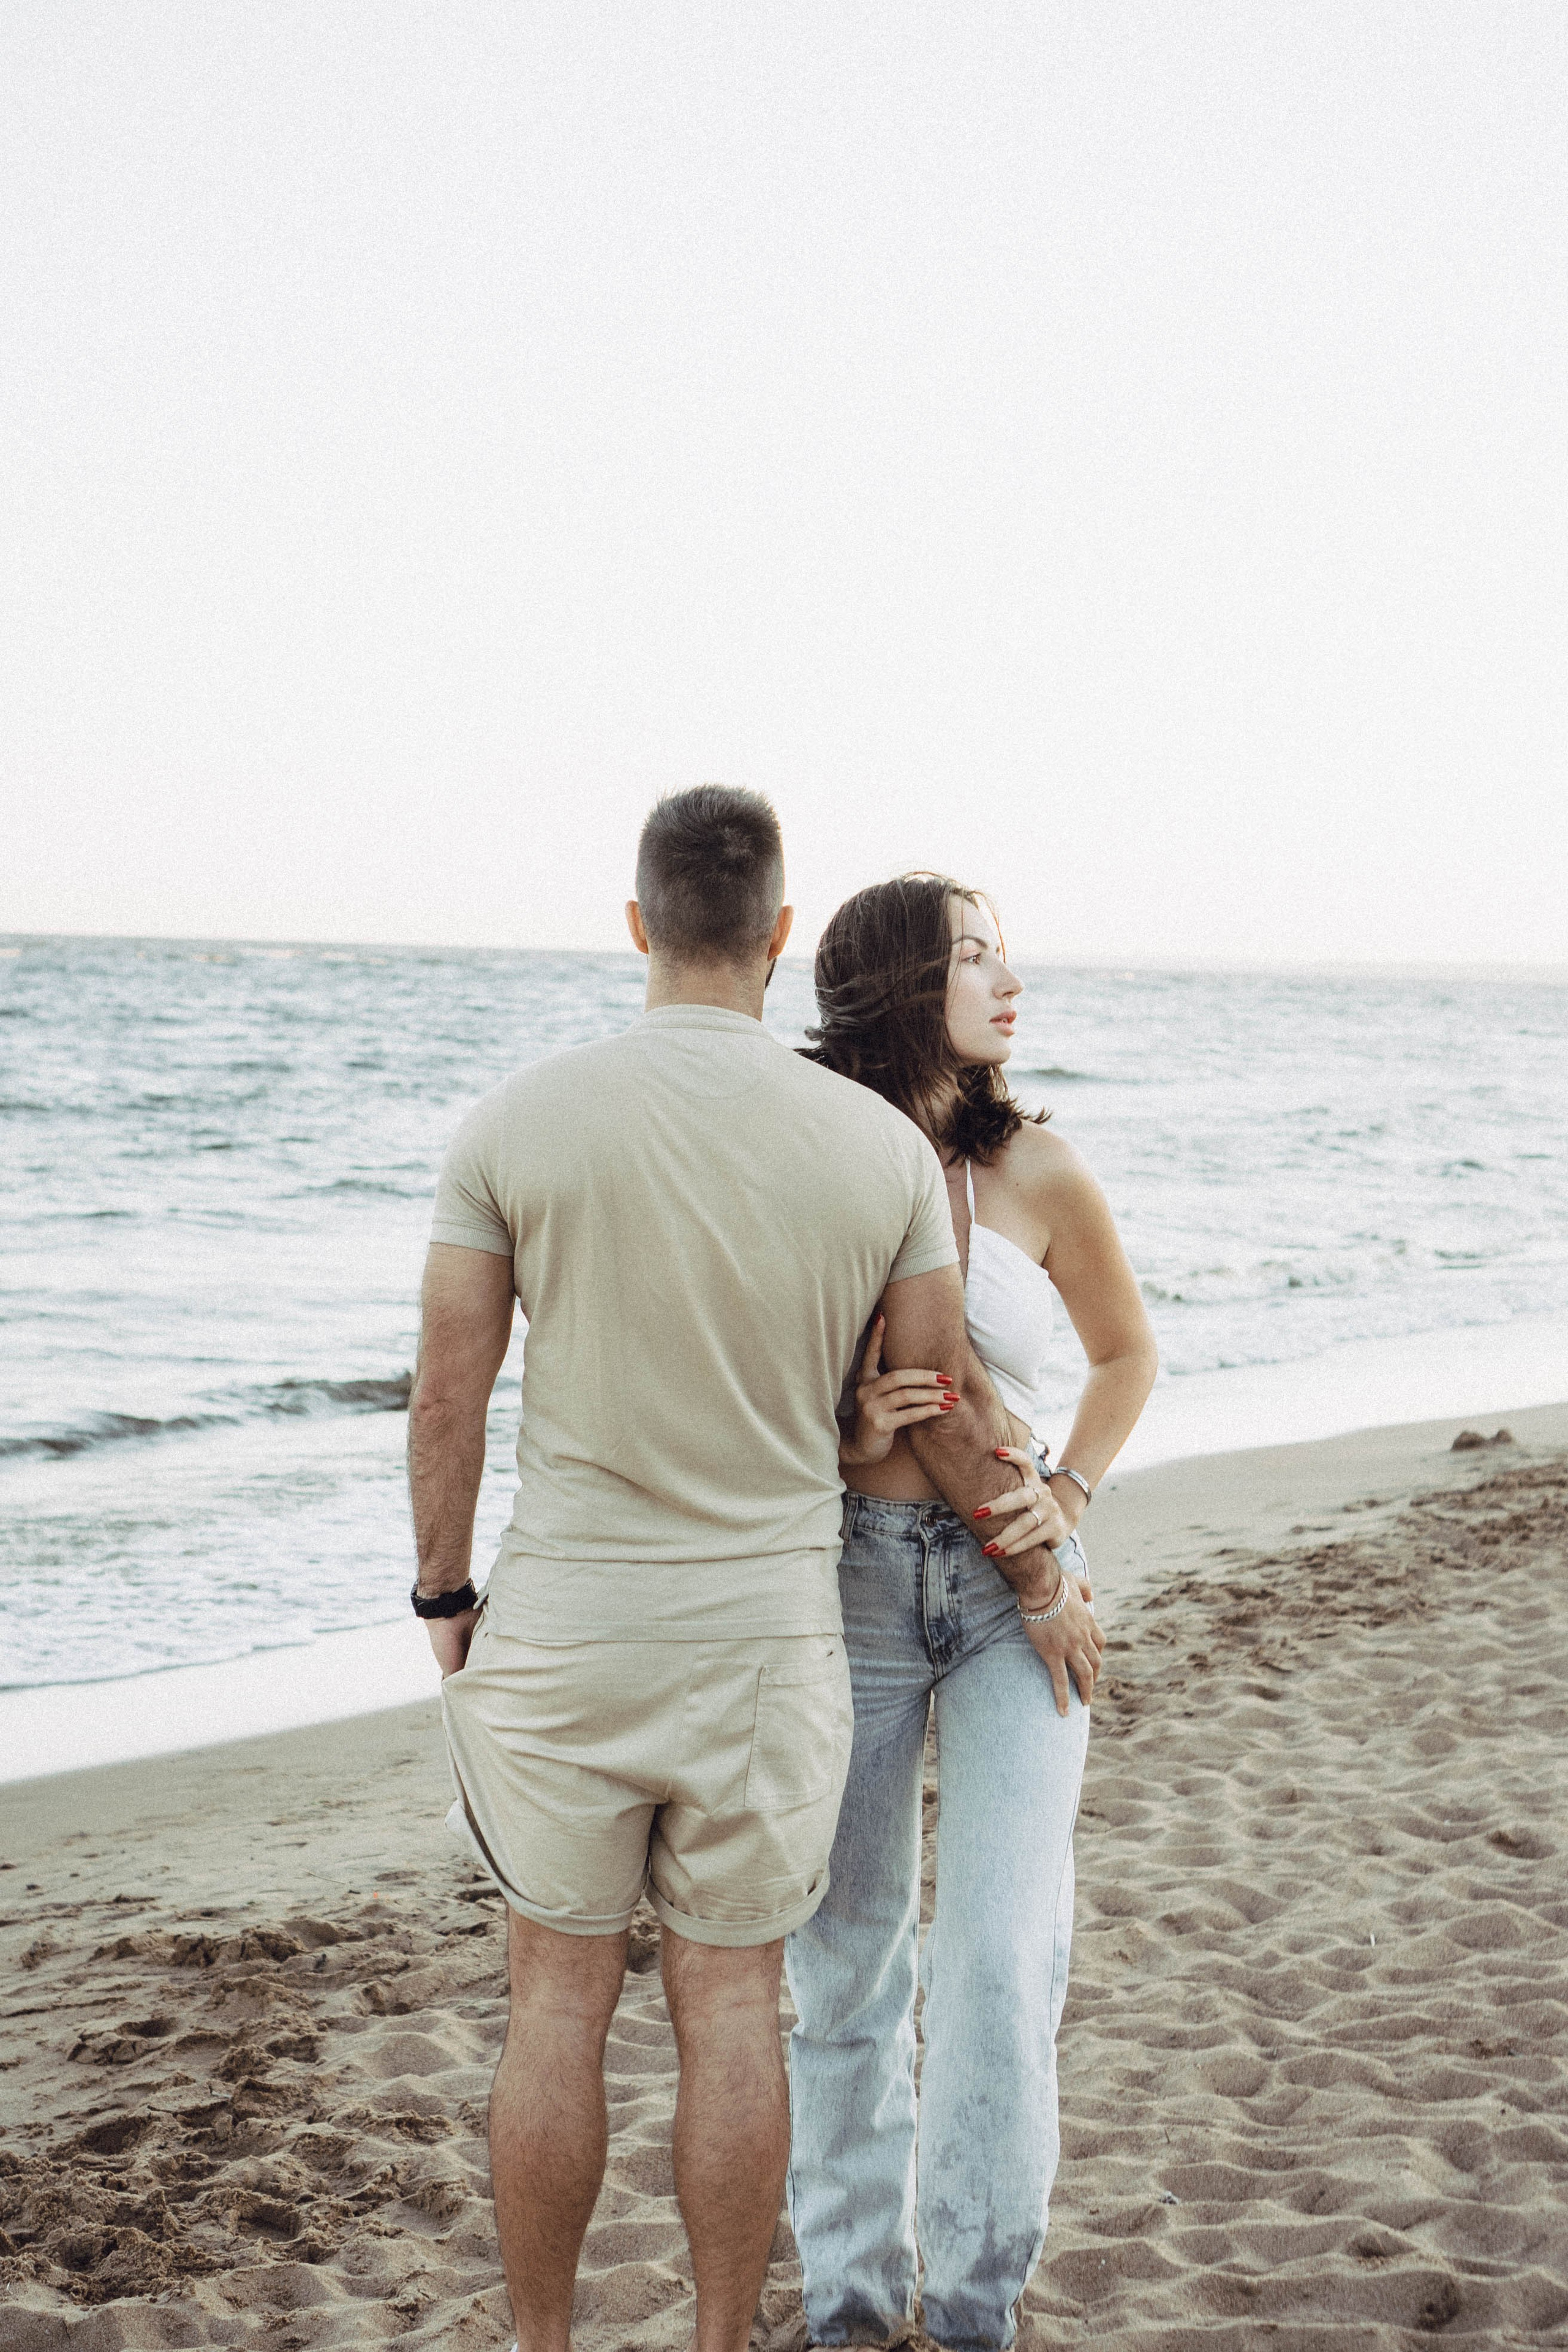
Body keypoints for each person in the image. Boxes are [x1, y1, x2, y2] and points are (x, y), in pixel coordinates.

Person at [405, 793, 1062, 2352]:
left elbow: (446, 1398)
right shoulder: (878, 1150)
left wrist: (446, 1605)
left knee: (552, 2008)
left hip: (564, 1633)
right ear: (777, 938)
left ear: (636, 925)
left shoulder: (513, 1121)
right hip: (770, 1641)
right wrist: (1042, 1557)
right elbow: (934, 1413)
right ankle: (717, 2342)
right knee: (730, 2012)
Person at [785, 873, 1158, 2352]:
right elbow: (746, 1380)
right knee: (845, 1957)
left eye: (1006, 955)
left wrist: (1064, 1502)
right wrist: (835, 1422)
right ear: (893, 985)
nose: (1009, 983)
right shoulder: (816, 1163)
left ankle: (972, 2314)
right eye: (973, 959)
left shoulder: (1040, 1168)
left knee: (1003, 1958)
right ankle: (849, 2306)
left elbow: (1125, 1356)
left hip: (1016, 1598)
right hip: (852, 1576)